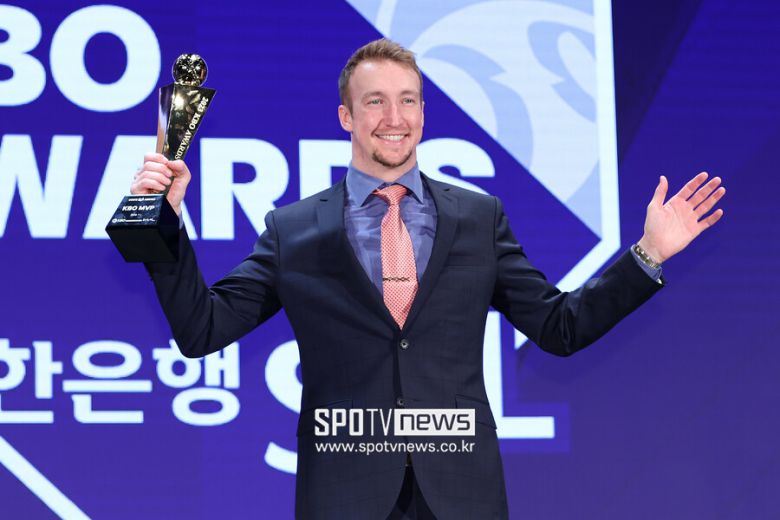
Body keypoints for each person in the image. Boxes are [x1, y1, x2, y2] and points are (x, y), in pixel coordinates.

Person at [131, 39, 725, 520]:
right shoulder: (295, 231)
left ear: (422, 113)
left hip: (462, 494)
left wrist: (647, 254)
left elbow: (559, 326)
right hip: (344, 493)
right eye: (375, 102)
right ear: (346, 117)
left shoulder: (479, 218)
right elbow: (202, 329)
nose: (394, 119)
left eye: (408, 101)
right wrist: (165, 221)